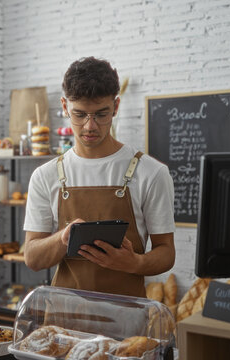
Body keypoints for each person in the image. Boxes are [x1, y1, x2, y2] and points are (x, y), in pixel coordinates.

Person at [23, 57, 175, 297]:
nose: (90, 126)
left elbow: (166, 252)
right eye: (79, 114)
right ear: (64, 106)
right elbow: (32, 257)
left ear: (116, 106)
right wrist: (62, 240)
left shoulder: (151, 172)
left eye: (101, 114)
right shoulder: (45, 175)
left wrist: (134, 263)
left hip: (126, 321)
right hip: (65, 321)